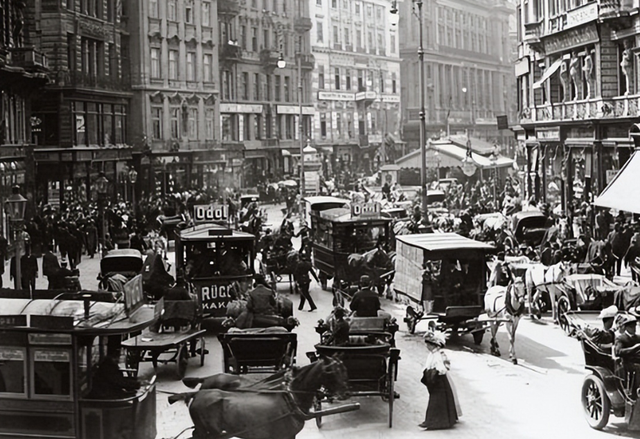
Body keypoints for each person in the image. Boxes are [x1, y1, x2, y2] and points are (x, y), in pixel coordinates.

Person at [420, 324, 460, 430]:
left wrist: (436, 372)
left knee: (436, 401)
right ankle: (441, 420)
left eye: (428, 344)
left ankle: (433, 422)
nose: (427, 346)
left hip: (438, 379)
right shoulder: (432, 354)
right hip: (436, 379)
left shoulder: (439, 354)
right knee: (440, 400)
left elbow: (444, 367)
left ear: (433, 345)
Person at [614, 313, 640, 393]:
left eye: (635, 326)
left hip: (638, 360)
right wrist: (634, 348)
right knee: (638, 368)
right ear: (626, 328)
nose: (634, 329)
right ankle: (636, 391)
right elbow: (619, 352)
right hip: (627, 363)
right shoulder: (621, 339)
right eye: (632, 327)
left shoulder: (638, 337)